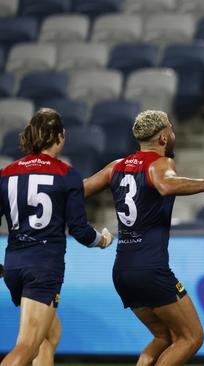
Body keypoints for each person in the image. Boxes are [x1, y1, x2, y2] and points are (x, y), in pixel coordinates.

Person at [83, 110, 204, 366]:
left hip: (122, 270)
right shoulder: (161, 164)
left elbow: (82, 189)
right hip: (151, 269)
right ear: (164, 137)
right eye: (172, 130)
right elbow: (166, 185)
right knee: (192, 337)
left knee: (163, 336)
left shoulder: (116, 166)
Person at [0, 108, 113, 366]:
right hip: (43, 267)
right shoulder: (66, 173)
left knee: (50, 335)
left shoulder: (6, 173)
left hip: (14, 266)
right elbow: (79, 230)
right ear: (60, 137)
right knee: (27, 345)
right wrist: (102, 240)